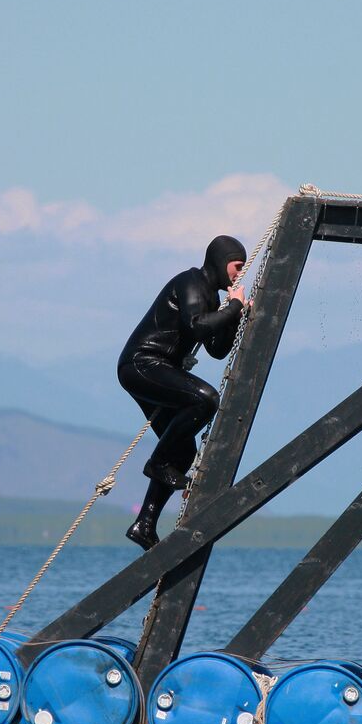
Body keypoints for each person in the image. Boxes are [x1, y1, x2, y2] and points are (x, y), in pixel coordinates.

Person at [118, 235, 250, 550]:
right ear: (222, 262)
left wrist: (235, 314)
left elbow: (217, 349)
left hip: (158, 370)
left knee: (184, 453)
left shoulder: (212, 298)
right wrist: (233, 306)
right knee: (205, 398)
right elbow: (196, 327)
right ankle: (157, 462)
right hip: (142, 365)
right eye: (237, 267)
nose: (239, 274)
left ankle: (144, 524)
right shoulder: (191, 282)